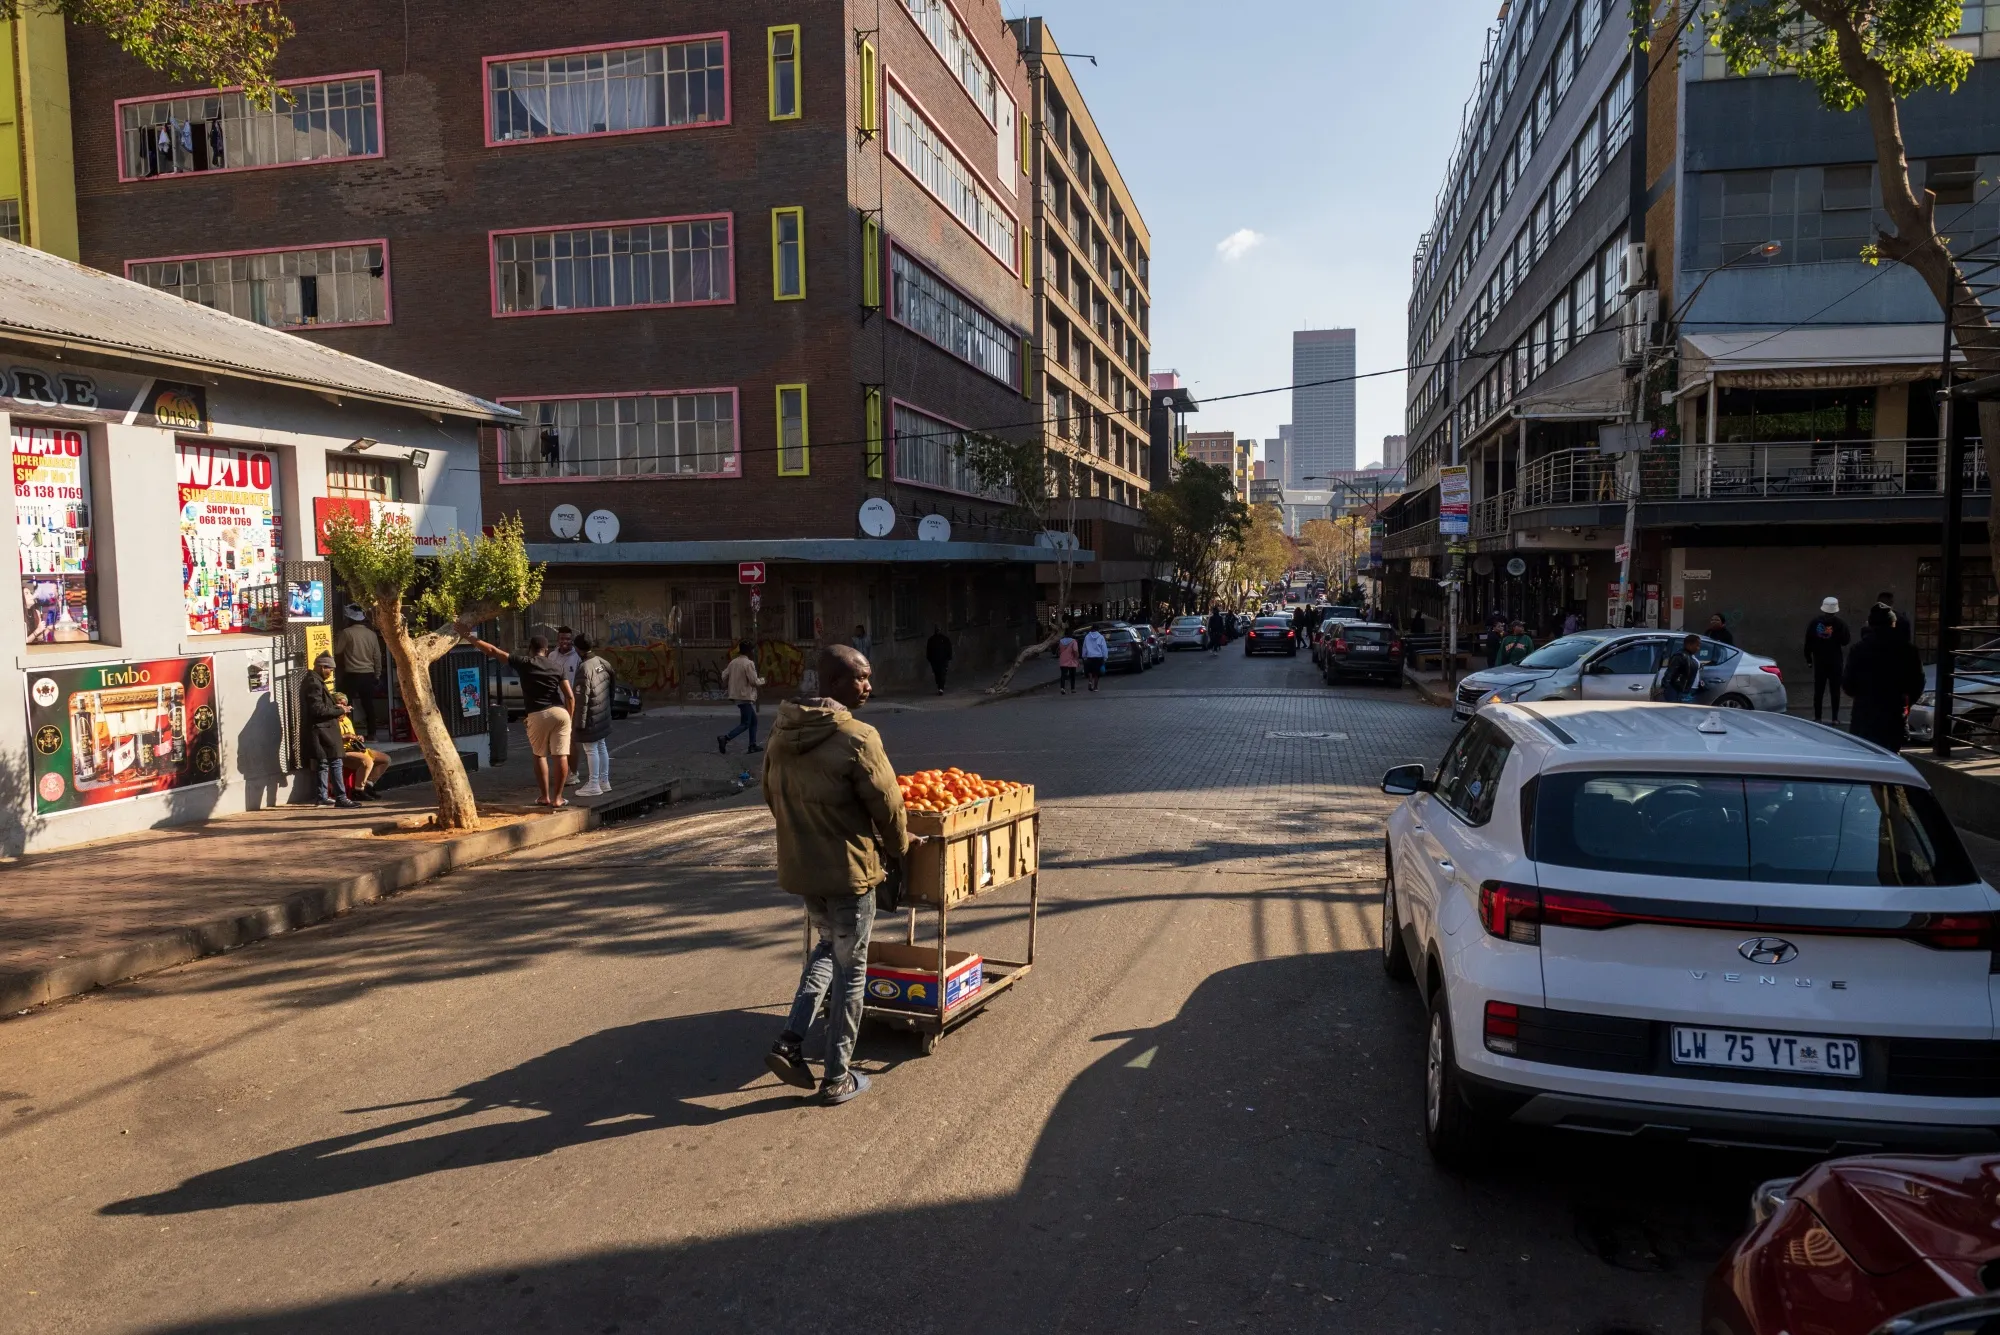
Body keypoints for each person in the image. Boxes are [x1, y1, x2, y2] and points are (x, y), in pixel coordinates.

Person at [761, 645, 911, 1106]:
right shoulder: (859, 737)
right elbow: (888, 806)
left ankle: (789, 1041)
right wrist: (900, 849)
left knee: (828, 947)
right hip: (849, 875)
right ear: (834, 682)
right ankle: (837, 1076)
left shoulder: (782, 731)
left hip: (803, 870)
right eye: (861, 678)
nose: (869, 686)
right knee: (852, 970)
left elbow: (771, 796)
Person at [468, 633, 575, 805]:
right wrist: (569, 718)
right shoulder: (557, 666)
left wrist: (469, 637)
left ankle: (544, 797)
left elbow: (493, 651)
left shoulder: (525, 662)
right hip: (560, 713)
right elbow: (570, 697)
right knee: (561, 755)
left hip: (538, 714)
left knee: (540, 755)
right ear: (546, 650)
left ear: (531, 649)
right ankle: (558, 798)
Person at [1844, 605, 1924, 751]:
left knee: (1865, 758)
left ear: (1869, 623)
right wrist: (1906, 702)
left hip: (1864, 715)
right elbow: (1917, 684)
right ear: (1893, 623)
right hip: (1893, 714)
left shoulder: (1858, 649)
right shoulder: (1908, 650)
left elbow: (1848, 685)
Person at [299, 652, 356, 808]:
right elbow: (317, 709)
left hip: (321, 731)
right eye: (329, 669)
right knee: (335, 762)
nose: (331, 673)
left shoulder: (314, 681)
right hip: (323, 731)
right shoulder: (314, 683)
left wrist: (335, 707)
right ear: (322, 667)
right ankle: (341, 798)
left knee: (323, 763)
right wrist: (339, 711)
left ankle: (322, 796)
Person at [571, 635, 615, 796]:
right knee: (601, 746)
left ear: (578, 648)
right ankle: (604, 781)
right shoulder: (602, 662)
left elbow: (582, 698)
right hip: (602, 713)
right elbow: (611, 687)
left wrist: (578, 723)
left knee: (590, 749)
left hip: (590, 715)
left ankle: (594, 783)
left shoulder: (585, 667)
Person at [333, 604, 382, 739]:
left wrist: (337, 637)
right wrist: (377, 674)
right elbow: (377, 656)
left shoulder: (346, 633)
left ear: (349, 619)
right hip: (368, 674)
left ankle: (345, 732)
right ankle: (372, 733)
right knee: (368, 704)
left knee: (343, 703)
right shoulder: (371, 634)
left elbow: (337, 650)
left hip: (352, 674)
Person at [335, 692, 392, 800]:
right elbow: (331, 738)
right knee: (367, 761)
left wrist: (357, 737)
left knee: (385, 759)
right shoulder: (332, 721)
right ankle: (358, 791)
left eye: (344, 704)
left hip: (355, 748)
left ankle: (368, 784)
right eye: (339, 704)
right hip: (342, 751)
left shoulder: (346, 719)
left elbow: (351, 734)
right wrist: (343, 737)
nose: (343, 706)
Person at [1803, 596, 1852, 724]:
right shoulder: (1840, 624)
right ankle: (1835, 718)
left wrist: (1808, 659)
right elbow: (1846, 641)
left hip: (1819, 661)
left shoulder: (1814, 623)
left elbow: (1808, 642)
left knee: (1818, 690)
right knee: (1835, 690)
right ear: (1836, 610)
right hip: (1835, 662)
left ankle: (1818, 717)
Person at [547, 627, 584, 787]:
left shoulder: (577, 657)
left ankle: (573, 773)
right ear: (558, 639)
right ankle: (562, 770)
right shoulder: (552, 655)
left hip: (571, 703)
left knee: (572, 740)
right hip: (554, 703)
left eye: (568, 639)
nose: (565, 642)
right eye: (562, 639)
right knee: (556, 740)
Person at [718, 640, 766, 753]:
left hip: (737, 696)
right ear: (749, 651)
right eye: (752, 650)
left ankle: (752, 745)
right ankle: (725, 738)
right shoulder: (748, 663)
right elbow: (754, 681)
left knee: (753, 721)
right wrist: (763, 681)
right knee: (745, 723)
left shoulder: (733, 662)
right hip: (745, 696)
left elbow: (723, 676)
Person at [1655, 633, 1704, 703]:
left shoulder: (1691, 656)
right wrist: (1664, 686)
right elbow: (1670, 673)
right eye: (1697, 645)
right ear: (1689, 645)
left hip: (1691, 690)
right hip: (1683, 691)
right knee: (1685, 712)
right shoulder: (1680, 656)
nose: (1698, 648)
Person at [925, 625, 954, 694]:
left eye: (939, 629)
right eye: (937, 629)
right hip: (934, 660)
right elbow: (928, 650)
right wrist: (929, 658)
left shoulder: (945, 639)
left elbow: (949, 648)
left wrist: (948, 657)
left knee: (942, 673)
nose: (938, 631)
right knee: (937, 673)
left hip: (943, 660)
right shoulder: (931, 640)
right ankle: (939, 686)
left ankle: (941, 688)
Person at [1081, 625, 1109, 690]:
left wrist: (1084, 656)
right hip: (1098, 657)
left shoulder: (1087, 637)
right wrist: (1105, 657)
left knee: (1090, 671)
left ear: (1091, 629)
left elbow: (1084, 647)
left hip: (1089, 656)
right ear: (1098, 629)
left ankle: (1090, 680)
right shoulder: (1101, 637)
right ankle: (1095, 687)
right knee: (1097, 673)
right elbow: (1104, 648)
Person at [1056, 626, 1081, 694]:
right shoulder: (1073, 641)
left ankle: (1062, 688)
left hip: (1063, 660)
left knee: (1063, 675)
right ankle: (1072, 688)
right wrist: (1077, 657)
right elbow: (1075, 650)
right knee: (1072, 675)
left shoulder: (1061, 641)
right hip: (1071, 660)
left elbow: (1059, 651)